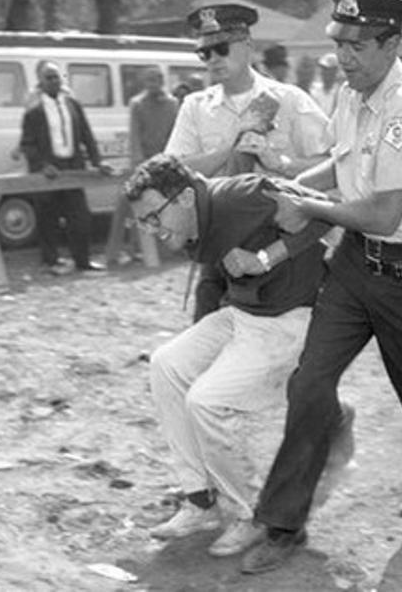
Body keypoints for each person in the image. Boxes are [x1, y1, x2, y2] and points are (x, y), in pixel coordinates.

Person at [242, 0, 402, 574]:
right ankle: (283, 523)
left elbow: (385, 211)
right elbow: (342, 168)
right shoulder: (350, 93)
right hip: (355, 266)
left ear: (393, 43)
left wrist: (310, 207)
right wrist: (292, 181)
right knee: (308, 383)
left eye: (357, 45)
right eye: (337, 42)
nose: (343, 56)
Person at [126, 154, 354, 558]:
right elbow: (213, 283)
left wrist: (267, 257)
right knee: (166, 365)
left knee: (205, 401)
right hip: (245, 313)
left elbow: (328, 214)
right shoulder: (192, 221)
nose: (151, 229)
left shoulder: (242, 194)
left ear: (181, 199)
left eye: (153, 217)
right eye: (143, 222)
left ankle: (253, 515)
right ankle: (200, 500)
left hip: (292, 317)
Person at [164, 2, 330, 321]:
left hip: (280, 246)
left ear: (248, 45)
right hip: (218, 245)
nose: (213, 59)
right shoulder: (195, 106)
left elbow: (331, 164)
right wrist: (228, 148)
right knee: (205, 341)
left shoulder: (289, 100)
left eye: (221, 49)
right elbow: (175, 173)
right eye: (204, 53)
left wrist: (279, 161)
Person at [19, 60, 111, 273]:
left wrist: (98, 162)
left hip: (73, 167)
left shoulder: (73, 105)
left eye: (56, 77)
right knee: (48, 219)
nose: (53, 81)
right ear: (40, 82)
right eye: (48, 78)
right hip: (49, 171)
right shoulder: (34, 111)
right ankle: (51, 261)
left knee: (80, 217)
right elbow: (27, 145)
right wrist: (43, 166)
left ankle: (83, 261)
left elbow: (87, 136)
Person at [109, 67, 180, 264]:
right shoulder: (137, 104)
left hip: (166, 161)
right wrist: (140, 165)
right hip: (145, 163)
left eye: (156, 80)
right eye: (149, 81)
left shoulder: (172, 104)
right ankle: (135, 249)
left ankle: (166, 248)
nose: (153, 85)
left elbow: (175, 133)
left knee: (166, 206)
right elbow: (134, 136)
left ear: (162, 81)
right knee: (138, 206)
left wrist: (171, 159)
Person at [309, 52, 341, 117]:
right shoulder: (314, 90)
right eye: (323, 69)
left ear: (335, 71)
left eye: (328, 70)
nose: (325, 73)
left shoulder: (340, 92)